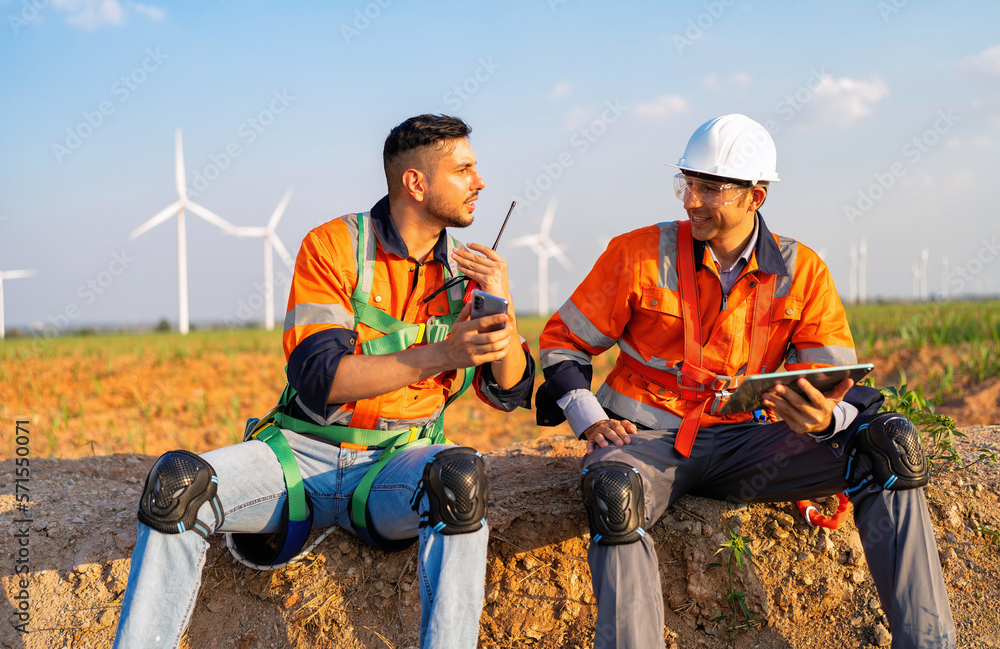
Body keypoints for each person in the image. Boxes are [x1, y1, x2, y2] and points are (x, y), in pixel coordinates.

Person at [113, 114, 534, 649]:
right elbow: (319, 377)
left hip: (395, 466)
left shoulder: (469, 270)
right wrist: (443, 352)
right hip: (298, 454)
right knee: (176, 484)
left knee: (458, 478)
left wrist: (504, 305)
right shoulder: (334, 245)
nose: (480, 181)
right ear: (416, 183)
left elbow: (510, 392)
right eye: (465, 169)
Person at [536, 114, 953, 648]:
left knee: (887, 444)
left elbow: (832, 379)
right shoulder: (637, 253)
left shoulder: (802, 271)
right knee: (614, 492)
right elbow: (562, 342)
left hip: (753, 440)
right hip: (646, 442)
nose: (690, 201)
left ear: (755, 197)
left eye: (709, 189)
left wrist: (825, 418)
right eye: (686, 183)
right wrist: (589, 419)